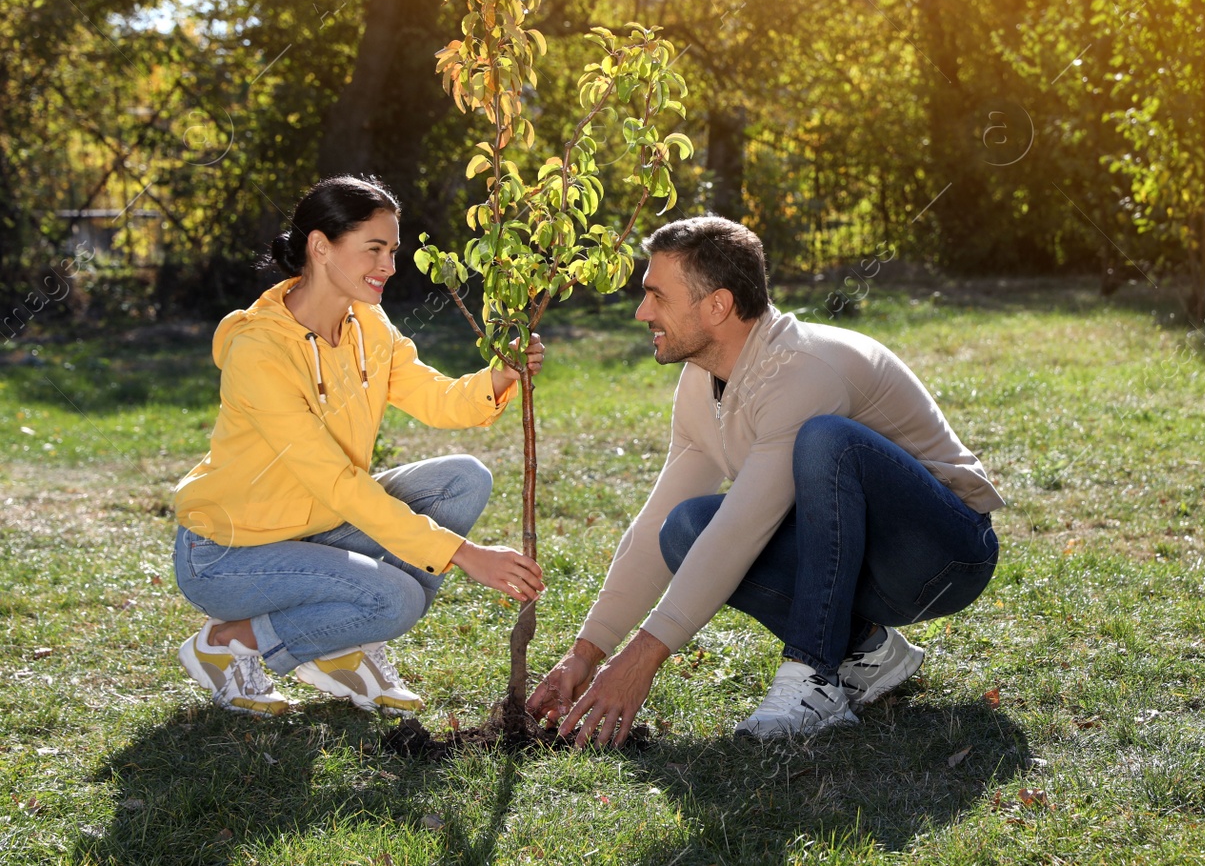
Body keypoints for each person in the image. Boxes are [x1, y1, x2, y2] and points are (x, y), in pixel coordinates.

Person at [528, 216, 1003, 743]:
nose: (643, 313)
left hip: (944, 555)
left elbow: (740, 530)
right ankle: (866, 649)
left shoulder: (802, 368)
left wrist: (641, 660)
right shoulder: (700, 382)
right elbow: (659, 520)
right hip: (866, 564)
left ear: (718, 305)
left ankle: (813, 678)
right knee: (682, 527)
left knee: (827, 441)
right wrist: (586, 653)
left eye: (656, 296)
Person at [172, 175, 545, 716]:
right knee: (395, 600)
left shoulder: (367, 324)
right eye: (375, 248)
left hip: (316, 526)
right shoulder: (258, 350)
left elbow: (434, 397)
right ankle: (229, 645)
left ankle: (341, 646)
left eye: (392, 250)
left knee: (463, 479)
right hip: (228, 553)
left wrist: (499, 377)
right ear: (321, 246)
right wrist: (464, 556)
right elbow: (335, 482)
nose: (390, 266)